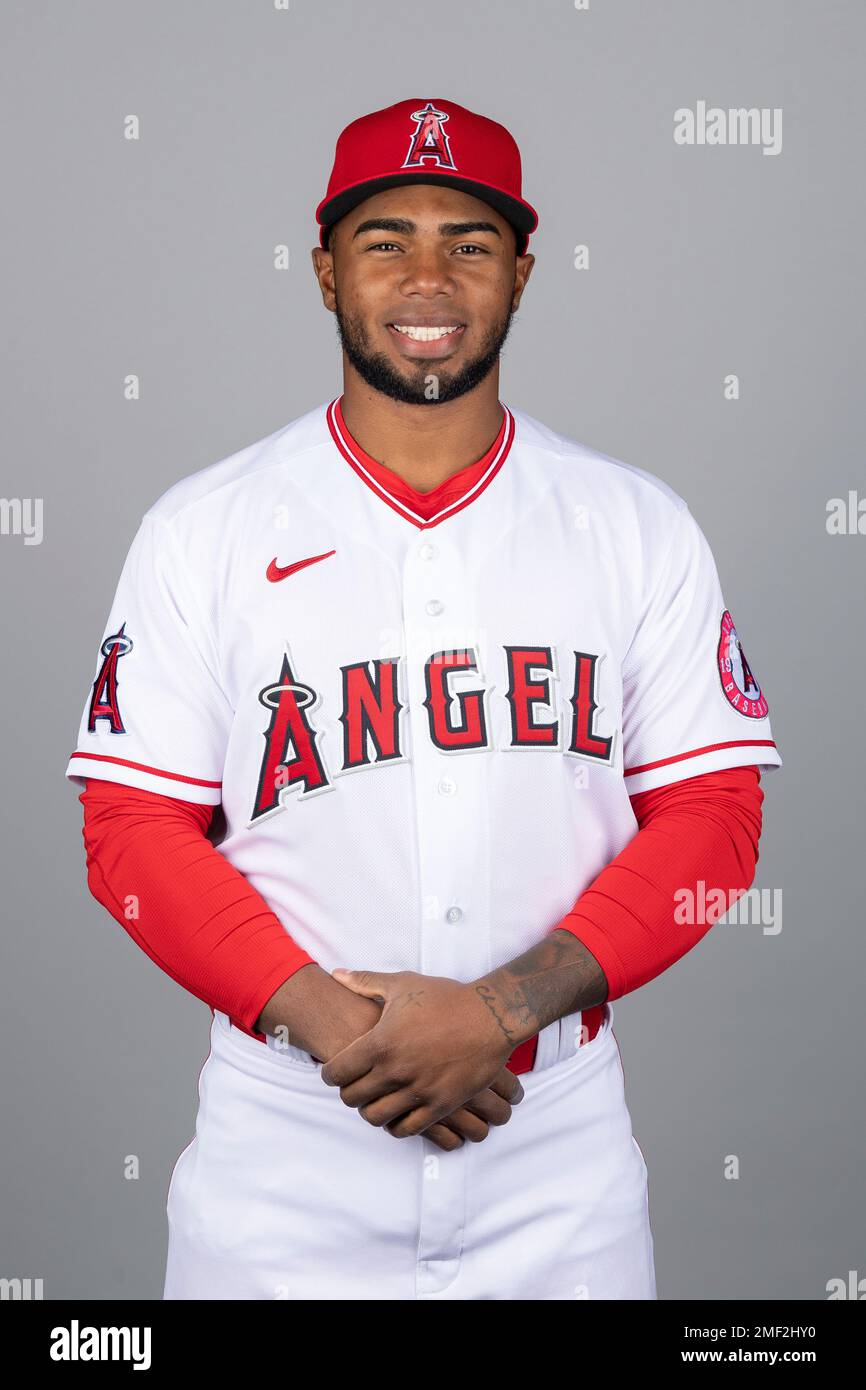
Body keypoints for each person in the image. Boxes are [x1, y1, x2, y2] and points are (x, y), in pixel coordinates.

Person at [67, 97, 781, 1300]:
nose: (427, 275)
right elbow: (131, 832)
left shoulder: (633, 524)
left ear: (521, 272)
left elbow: (714, 817)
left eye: (469, 240)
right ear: (324, 272)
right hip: (287, 1144)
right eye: (385, 239)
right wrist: (349, 1033)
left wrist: (500, 1008)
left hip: (552, 1142)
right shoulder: (202, 529)